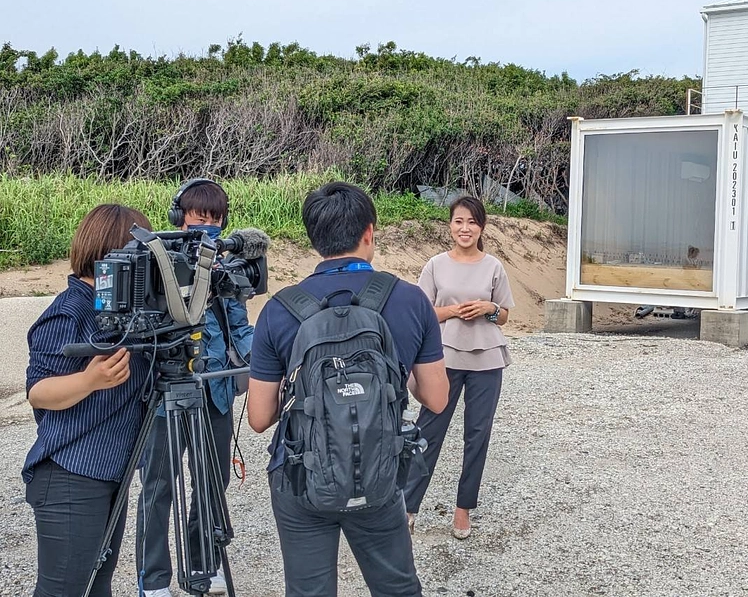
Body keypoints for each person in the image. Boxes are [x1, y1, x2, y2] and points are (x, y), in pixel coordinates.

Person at [247, 181, 449, 597]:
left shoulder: (279, 309)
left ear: (313, 239)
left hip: (302, 477)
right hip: (377, 470)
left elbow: (259, 418)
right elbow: (437, 397)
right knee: (397, 588)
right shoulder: (410, 301)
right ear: (369, 232)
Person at [23, 203, 153, 597]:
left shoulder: (129, 310)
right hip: (69, 476)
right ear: (114, 254)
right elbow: (38, 391)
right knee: (63, 590)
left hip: (109, 473)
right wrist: (90, 379)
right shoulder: (69, 310)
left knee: (98, 588)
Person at [137, 179, 254, 597]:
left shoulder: (223, 269)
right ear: (179, 216)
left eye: (215, 219)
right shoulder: (158, 263)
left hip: (215, 391)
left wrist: (270, 362)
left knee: (210, 482)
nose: (206, 226)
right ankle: (154, 581)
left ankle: (205, 566)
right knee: (159, 486)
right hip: (166, 392)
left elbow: (239, 328)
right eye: (198, 217)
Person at [403, 196, 514, 540]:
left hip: (487, 360)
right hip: (444, 358)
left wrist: (488, 307)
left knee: (477, 435)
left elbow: (505, 315)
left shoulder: (494, 266)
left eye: (472, 222)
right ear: (450, 225)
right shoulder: (435, 265)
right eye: (458, 221)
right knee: (427, 431)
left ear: (481, 227)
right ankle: (408, 507)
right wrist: (452, 311)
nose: (465, 229)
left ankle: (463, 509)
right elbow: (421, 313)